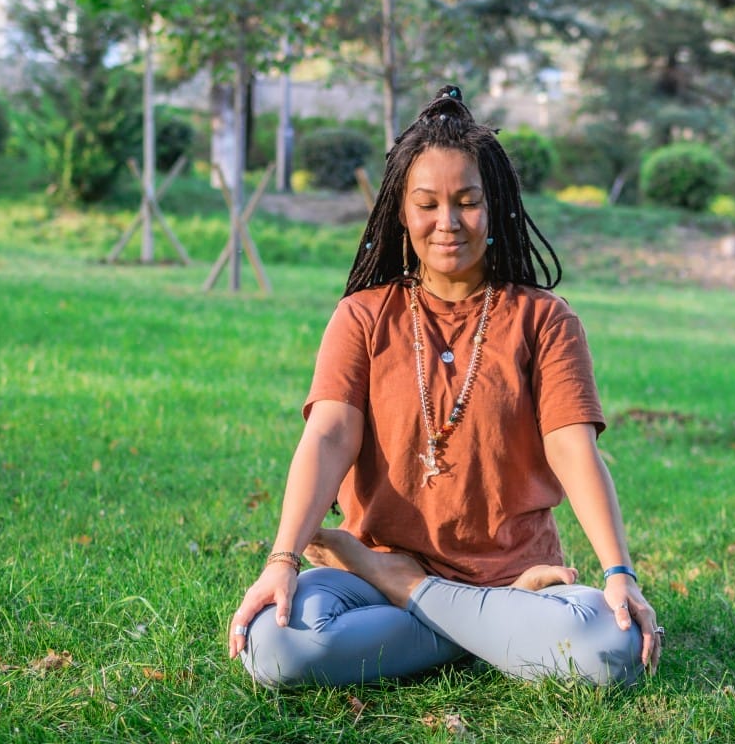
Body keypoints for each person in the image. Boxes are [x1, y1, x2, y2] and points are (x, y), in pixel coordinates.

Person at [227, 85, 662, 687]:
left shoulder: (544, 319)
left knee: (610, 645)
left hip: (507, 575)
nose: (448, 222)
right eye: (428, 204)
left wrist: (619, 575)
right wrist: (281, 561)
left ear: (497, 206)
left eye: (468, 201)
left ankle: (417, 595)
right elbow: (328, 435)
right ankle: (490, 633)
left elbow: (572, 447)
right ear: (401, 214)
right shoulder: (362, 316)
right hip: (368, 576)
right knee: (276, 645)